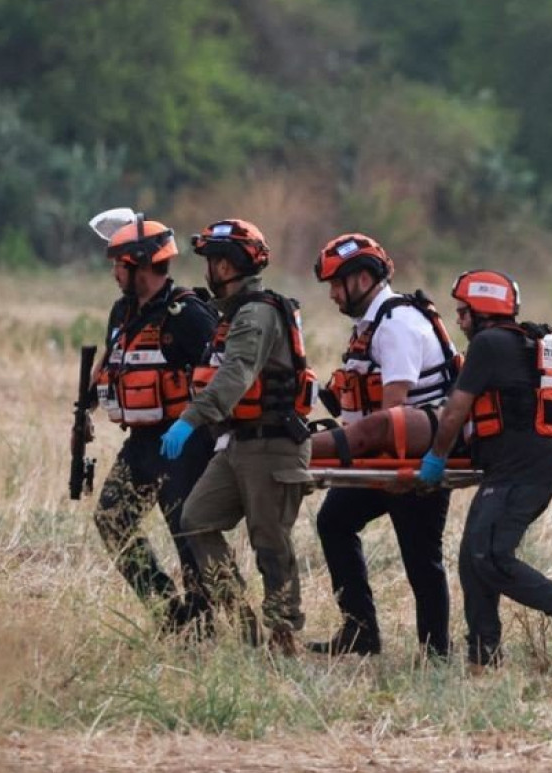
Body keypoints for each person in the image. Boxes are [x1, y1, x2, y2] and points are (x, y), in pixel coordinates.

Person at [417, 269, 552, 673]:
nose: (460, 322)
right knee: (472, 557)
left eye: (463, 313)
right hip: (524, 467)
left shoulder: (489, 343)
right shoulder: (530, 342)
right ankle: (483, 657)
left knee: (491, 556)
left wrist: (435, 458)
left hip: (521, 471)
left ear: (481, 312)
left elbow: (455, 412)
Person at [166, 219, 316, 656]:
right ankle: (238, 612)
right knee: (195, 519)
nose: (207, 270)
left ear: (230, 265)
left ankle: (283, 635)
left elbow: (237, 373)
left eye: (212, 261)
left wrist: (190, 420)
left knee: (270, 541)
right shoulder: (231, 314)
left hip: (273, 445)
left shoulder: (257, 313)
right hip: (237, 444)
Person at [308, 234, 462, 658]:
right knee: (334, 522)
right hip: (380, 455)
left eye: (337, 285)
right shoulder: (371, 325)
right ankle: (360, 633)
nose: (333, 295)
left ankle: (436, 654)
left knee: (420, 556)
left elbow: (393, 412)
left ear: (362, 278)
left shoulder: (397, 325)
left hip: (411, 458)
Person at [91, 216, 219, 634]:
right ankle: (169, 613)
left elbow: (218, 376)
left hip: (185, 441)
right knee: (112, 517)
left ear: (140, 266)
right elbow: (115, 359)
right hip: (142, 441)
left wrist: (201, 435)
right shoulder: (123, 310)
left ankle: (202, 626)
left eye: (119, 265)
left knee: (187, 534)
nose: (113, 273)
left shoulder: (189, 314)